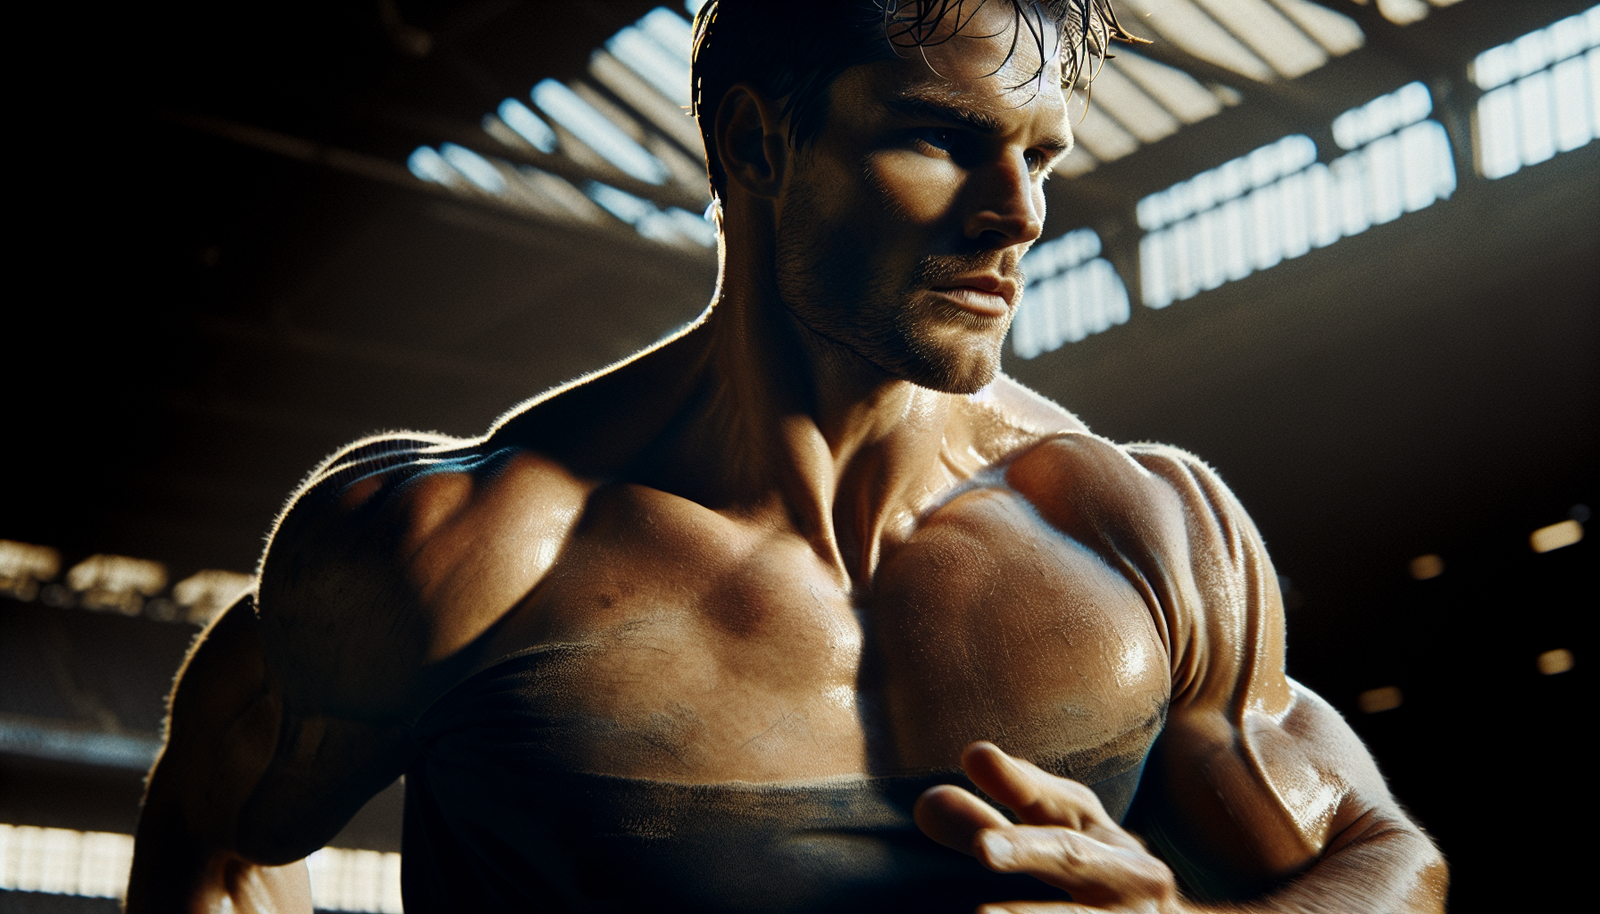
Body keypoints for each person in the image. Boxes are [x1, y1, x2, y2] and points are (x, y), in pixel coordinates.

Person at [127, 1, 1448, 911]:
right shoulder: (459, 550)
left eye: (1041, 152)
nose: (1023, 212)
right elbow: (219, 838)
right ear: (759, 140)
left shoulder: (1142, 530)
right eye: (943, 138)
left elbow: (1386, 858)